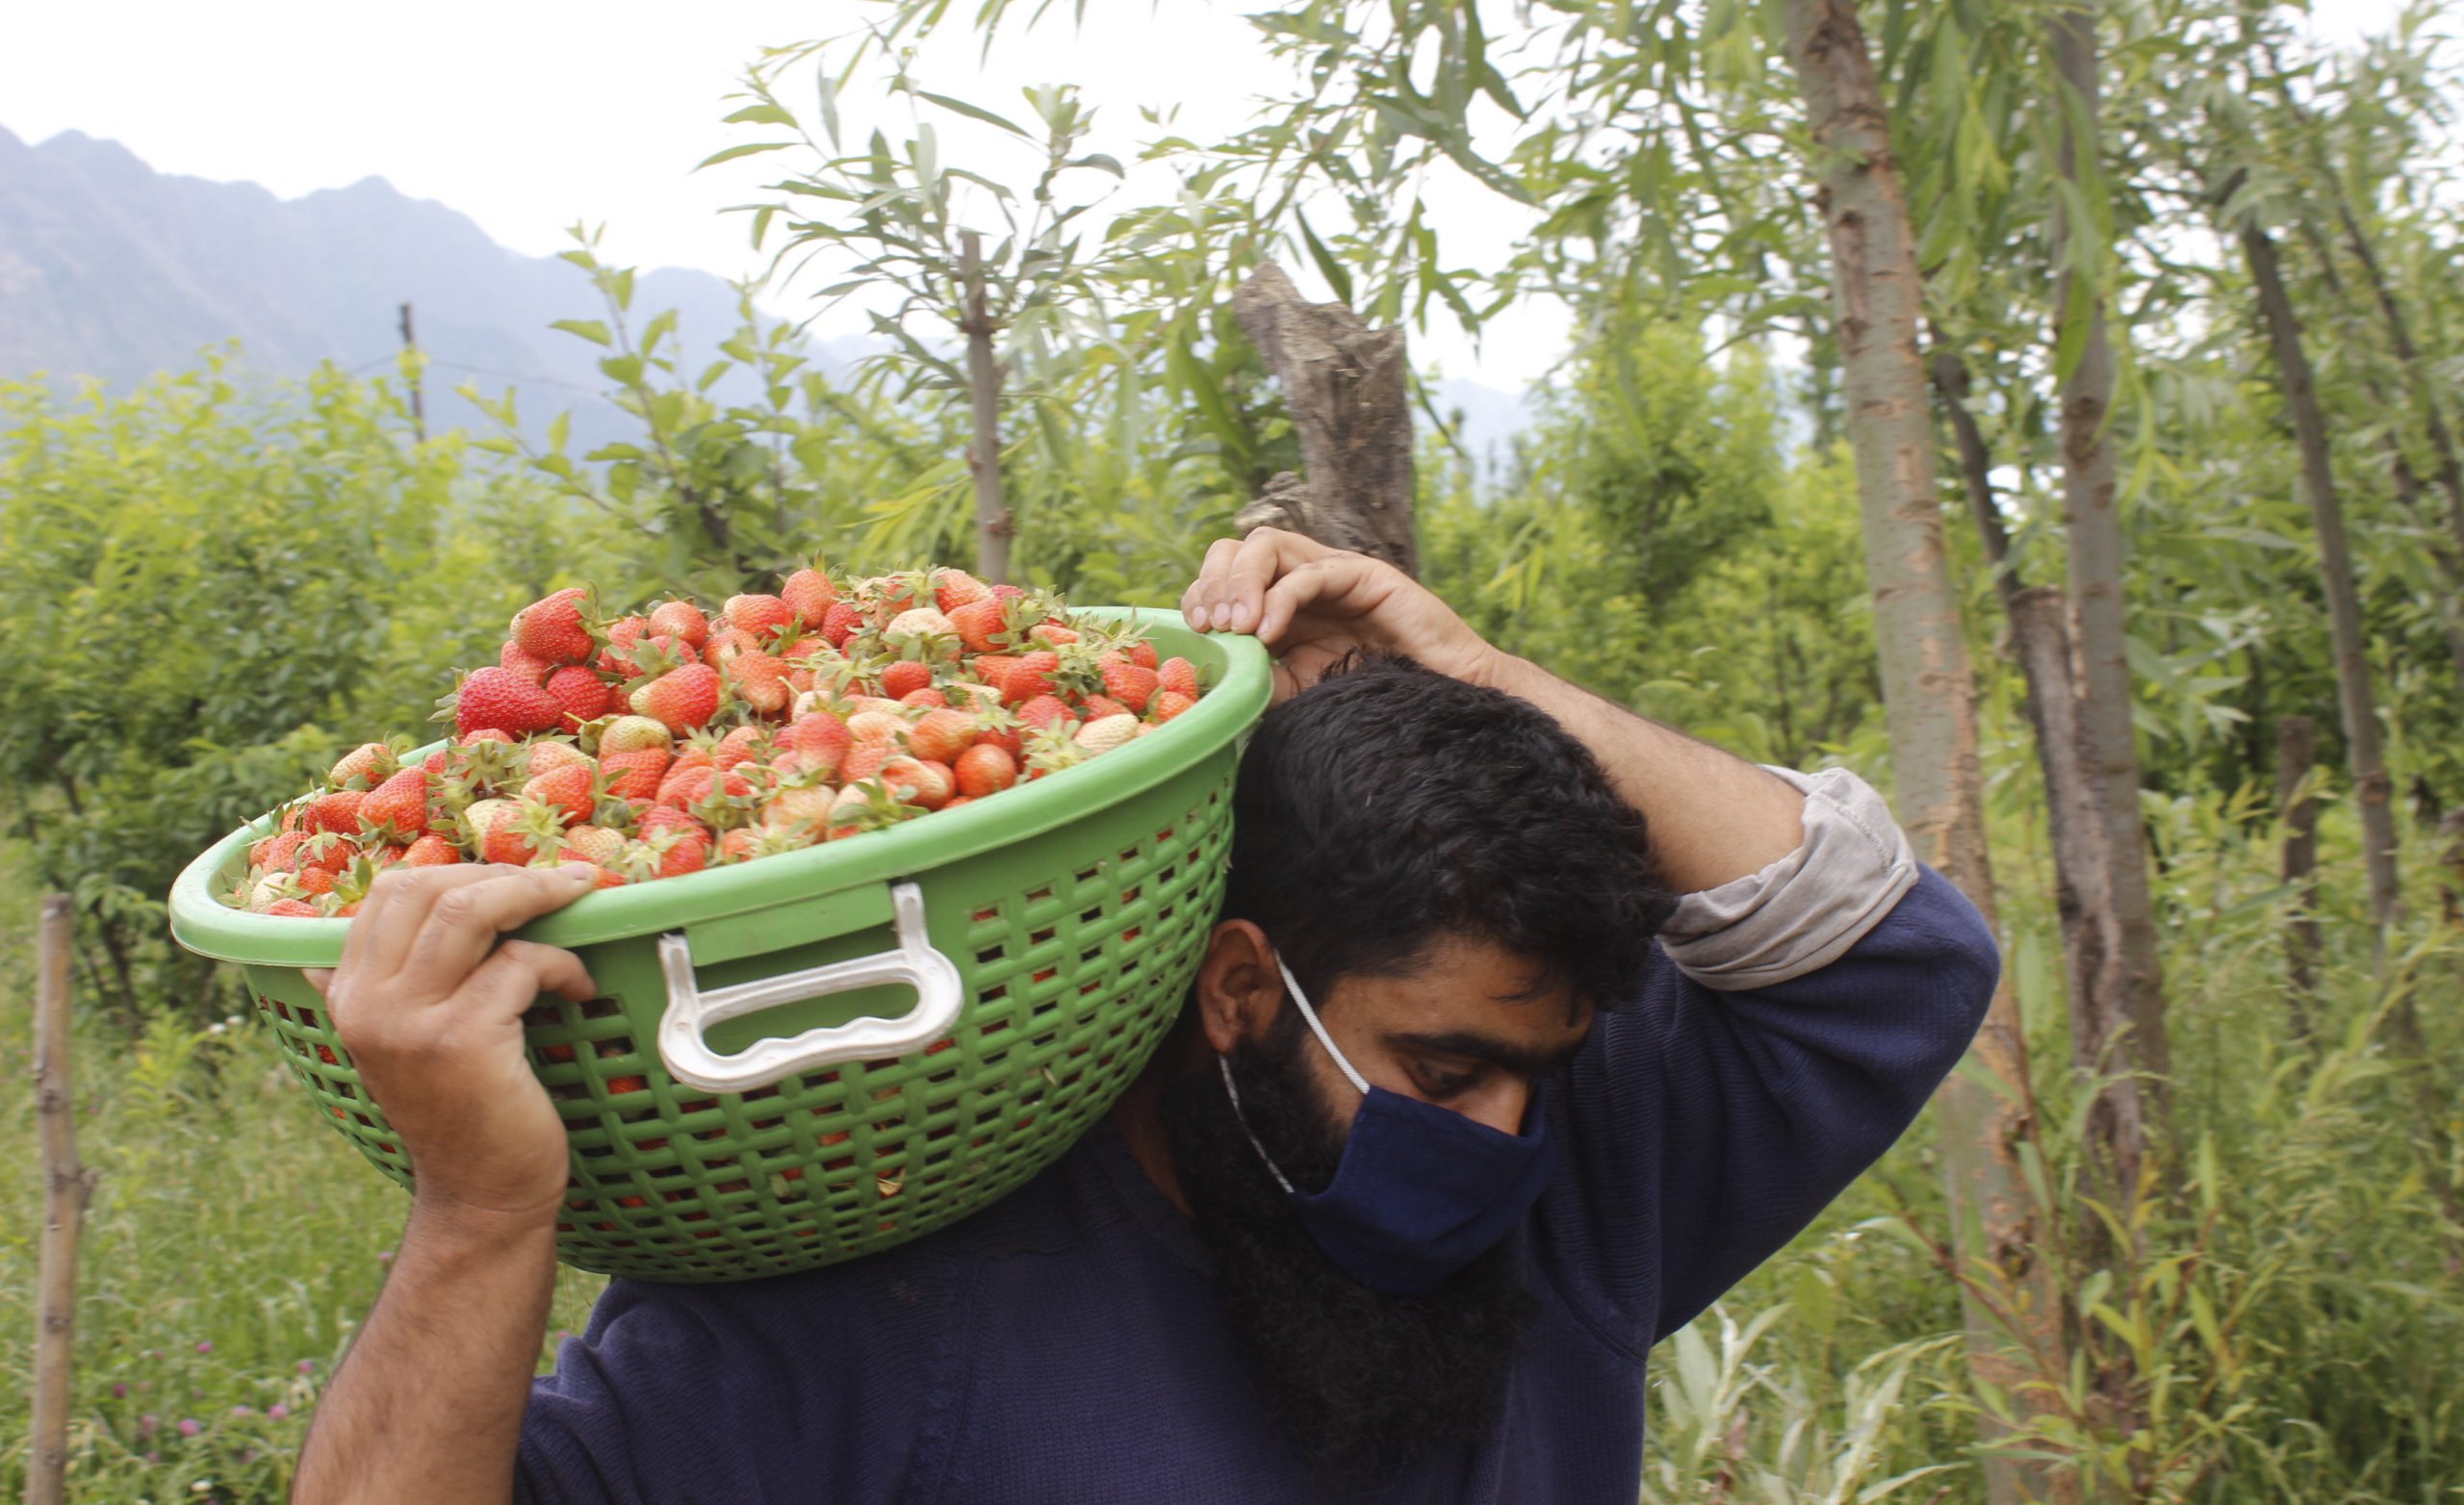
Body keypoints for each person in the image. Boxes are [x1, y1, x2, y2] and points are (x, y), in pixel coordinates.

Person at [292, 527, 1998, 1505]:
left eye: (1539, 1075)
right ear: (1241, 989)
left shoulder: (1567, 1187)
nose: (1505, 1141)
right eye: (1447, 1070)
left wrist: (1478, 669)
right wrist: (479, 1213)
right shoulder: (887, 1293)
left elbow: (1891, 957)